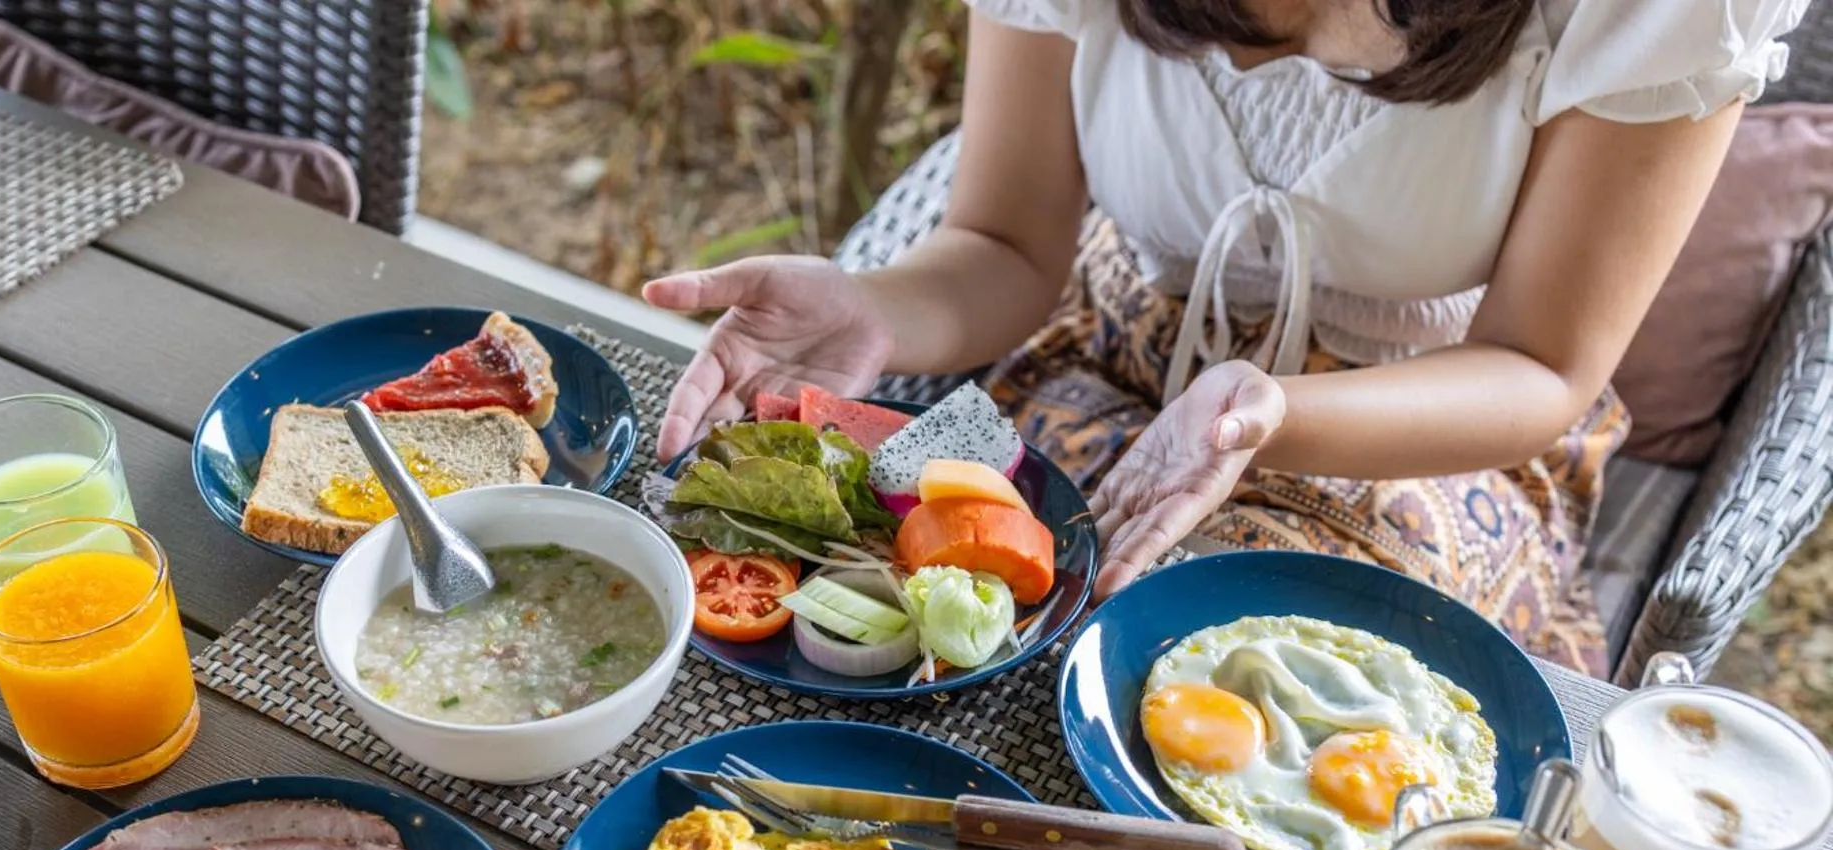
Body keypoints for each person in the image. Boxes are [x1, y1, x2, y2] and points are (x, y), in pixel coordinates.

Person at [643, 0, 1805, 676]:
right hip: (1110, 349)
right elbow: (1002, 243)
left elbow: (1540, 366)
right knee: (917, 615)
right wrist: (877, 305)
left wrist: (1267, 413)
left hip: (1424, 419)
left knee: (1209, 681)